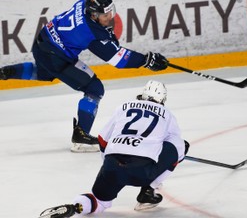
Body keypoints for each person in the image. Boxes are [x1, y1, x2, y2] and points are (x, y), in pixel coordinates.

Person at [0, 0, 169, 152]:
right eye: (105, 15)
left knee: (46, 73)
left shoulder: (83, 4)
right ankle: (81, 136)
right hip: (56, 56)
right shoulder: (91, 32)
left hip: (42, 44)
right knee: (94, 89)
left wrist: (107, 34)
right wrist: (146, 60)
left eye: (111, 12)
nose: (110, 17)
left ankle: (6, 72)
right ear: (94, 15)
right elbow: (118, 59)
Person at [39, 80, 190, 218]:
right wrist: (175, 155)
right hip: (142, 173)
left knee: (99, 201)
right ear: (162, 99)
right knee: (180, 145)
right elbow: (175, 144)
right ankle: (148, 191)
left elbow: (103, 139)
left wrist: (107, 165)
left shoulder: (123, 107)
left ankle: (75, 207)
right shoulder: (167, 115)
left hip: (112, 167)